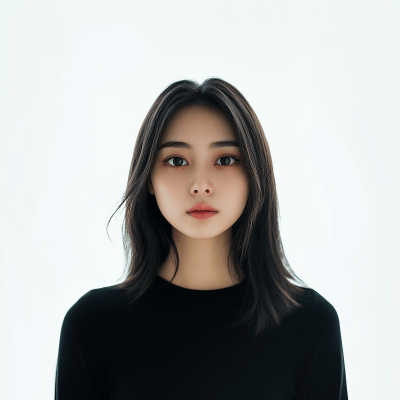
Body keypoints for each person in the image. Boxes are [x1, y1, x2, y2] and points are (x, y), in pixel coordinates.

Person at [54, 78, 348, 399]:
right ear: (148, 178)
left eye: (225, 159)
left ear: (253, 174)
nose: (200, 185)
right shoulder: (93, 326)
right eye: (177, 161)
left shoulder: (310, 326)